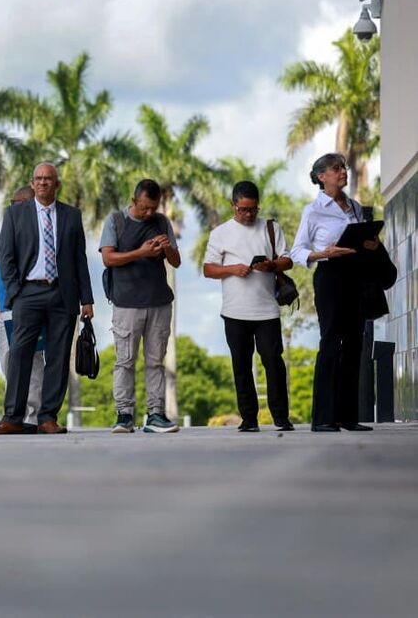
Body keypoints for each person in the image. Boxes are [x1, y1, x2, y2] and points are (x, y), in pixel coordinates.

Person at [0, 162, 94, 436]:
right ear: (32, 184)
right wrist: (15, 293)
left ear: (57, 184)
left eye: (48, 179)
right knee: (19, 354)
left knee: (57, 357)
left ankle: (47, 418)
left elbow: (80, 259)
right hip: (27, 294)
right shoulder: (15, 214)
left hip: (62, 294)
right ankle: (12, 418)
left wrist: (87, 300)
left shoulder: (71, 215)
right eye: (38, 179)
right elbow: (6, 257)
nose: (43, 183)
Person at [291, 153, 380, 432]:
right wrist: (323, 253)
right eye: (336, 169)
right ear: (321, 177)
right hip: (330, 276)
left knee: (355, 344)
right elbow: (297, 251)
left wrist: (372, 244)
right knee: (331, 341)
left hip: (356, 278)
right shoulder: (313, 210)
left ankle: (348, 417)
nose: (343, 172)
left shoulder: (353, 206)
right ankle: (323, 418)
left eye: (343, 168)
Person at [203, 181, 295, 432]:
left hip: (267, 310)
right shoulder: (220, 233)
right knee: (241, 364)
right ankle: (249, 418)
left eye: (253, 209)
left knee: (273, 362)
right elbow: (208, 269)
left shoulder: (271, 227)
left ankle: (280, 416)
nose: (248, 214)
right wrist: (232, 269)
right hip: (234, 311)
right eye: (243, 209)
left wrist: (271, 266)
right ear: (233, 205)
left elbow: (288, 260)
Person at [99, 178, 181, 434]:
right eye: (144, 207)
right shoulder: (115, 221)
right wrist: (141, 252)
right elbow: (108, 258)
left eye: (153, 208)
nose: (148, 213)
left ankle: (156, 414)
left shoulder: (162, 222)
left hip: (159, 301)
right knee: (125, 361)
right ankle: (124, 415)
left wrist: (167, 249)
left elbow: (176, 262)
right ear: (133, 201)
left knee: (155, 361)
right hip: (126, 303)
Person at [0, 185, 46, 433]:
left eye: (16, 203)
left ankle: (31, 417)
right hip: (5, 310)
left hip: (26, 308)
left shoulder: (36, 232)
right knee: (9, 363)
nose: (12, 208)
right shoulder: (11, 229)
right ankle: (14, 413)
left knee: (33, 362)